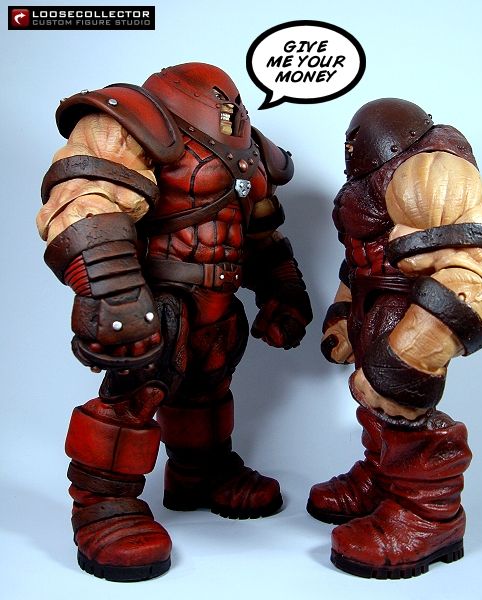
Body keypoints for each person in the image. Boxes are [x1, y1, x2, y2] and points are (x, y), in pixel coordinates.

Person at [37, 63, 312, 582]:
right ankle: (103, 505)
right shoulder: (132, 119)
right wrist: (116, 295)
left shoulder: (251, 146)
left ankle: (200, 474)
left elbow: (260, 230)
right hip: (158, 297)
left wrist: (283, 288)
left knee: (208, 384)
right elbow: (84, 202)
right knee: (135, 393)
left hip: (220, 301)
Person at [307, 98, 482, 579]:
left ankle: (428, 514)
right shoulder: (367, 183)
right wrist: (344, 316)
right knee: (376, 408)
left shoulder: (428, 167)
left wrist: (410, 356)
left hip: (409, 313)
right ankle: (384, 480)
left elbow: (469, 272)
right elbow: (358, 260)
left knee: (405, 405)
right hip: (372, 305)